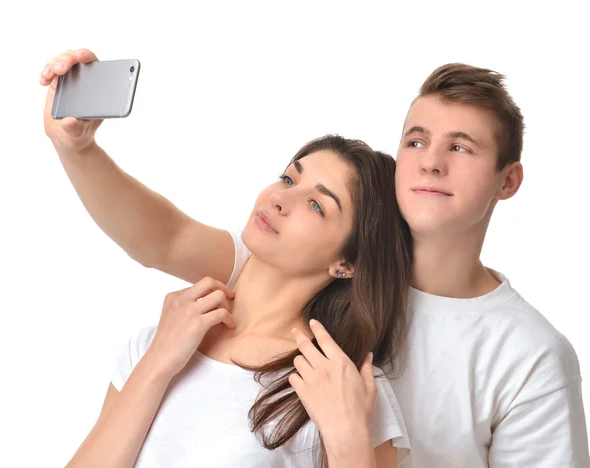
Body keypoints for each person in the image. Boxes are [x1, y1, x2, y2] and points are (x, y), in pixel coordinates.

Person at [41, 49, 589, 466]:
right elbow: (161, 236)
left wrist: (352, 439)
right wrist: (77, 147)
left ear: (508, 180)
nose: (431, 164)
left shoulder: (529, 357)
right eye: (416, 141)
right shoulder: (255, 277)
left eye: (462, 147)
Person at [51, 132, 412, 467]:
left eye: (316, 205)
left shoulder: (344, 386)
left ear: (346, 263)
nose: (280, 199)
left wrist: (348, 442)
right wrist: (157, 364)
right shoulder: (157, 342)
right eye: (288, 179)